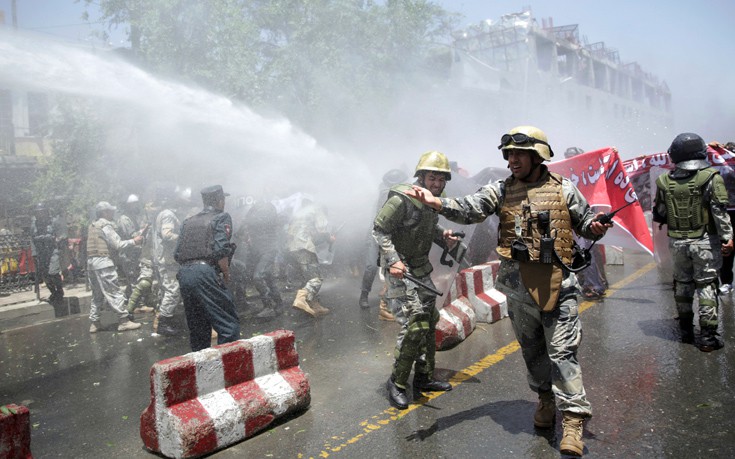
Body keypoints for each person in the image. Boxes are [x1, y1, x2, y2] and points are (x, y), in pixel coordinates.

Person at [406, 127, 611, 457]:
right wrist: (438, 203)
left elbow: (585, 223)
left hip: (559, 285)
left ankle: (573, 420)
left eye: (519, 154)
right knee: (533, 353)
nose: (512, 159)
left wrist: (596, 226)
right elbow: (471, 208)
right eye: (509, 154)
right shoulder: (500, 191)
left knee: (562, 353)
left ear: (537, 156)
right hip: (518, 289)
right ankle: (545, 400)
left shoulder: (564, 189)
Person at [374, 151, 461, 411]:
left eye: (441, 179)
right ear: (421, 176)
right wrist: (393, 260)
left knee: (429, 320)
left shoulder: (434, 201)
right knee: (415, 324)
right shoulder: (402, 198)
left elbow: (424, 227)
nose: (436, 184)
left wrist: (442, 235)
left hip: (420, 267)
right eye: (432, 178)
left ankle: (424, 377)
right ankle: (397, 384)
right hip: (400, 269)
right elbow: (379, 230)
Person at [653, 133, 733, 352]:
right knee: (706, 284)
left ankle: (686, 330)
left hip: (677, 243)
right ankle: (708, 336)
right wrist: (728, 238)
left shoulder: (664, 181)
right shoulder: (711, 177)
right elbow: (719, 212)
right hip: (705, 241)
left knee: (683, 284)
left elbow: (659, 214)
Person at [174, 185, 240, 352]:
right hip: (205, 272)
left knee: (198, 328)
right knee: (228, 326)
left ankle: (201, 370)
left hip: (184, 274)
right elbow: (220, 250)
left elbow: (177, 253)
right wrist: (226, 273)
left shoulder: (187, 222)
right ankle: (229, 369)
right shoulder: (221, 217)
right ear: (220, 201)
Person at [359, 168, 408, 321]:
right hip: (376, 234)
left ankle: (387, 303)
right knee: (371, 266)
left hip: (391, 236)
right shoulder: (385, 194)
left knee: (393, 268)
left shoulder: (401, 195)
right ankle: (364, 295)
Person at [87, 201, 143, 333]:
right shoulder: (105, 225)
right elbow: (117, 244)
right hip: (104, 263)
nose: (113, 213)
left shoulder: (93, 225)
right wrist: (133, 241)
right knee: (114, 291)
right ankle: (124, 321)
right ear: (105, 212)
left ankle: (94, 322)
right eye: (111, 211)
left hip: (91, 264)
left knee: (97, 294)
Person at [563, 147, 609, 299]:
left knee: (588, 250)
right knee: (588, 250)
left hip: (586, 216)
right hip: (577, 217)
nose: (571, 161)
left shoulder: (589, 174)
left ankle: (594, 285)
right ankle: (597, 282)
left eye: (574, 157)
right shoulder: (566, 175)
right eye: (568, 158)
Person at [287, 196, 332, 317]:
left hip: (292, 248)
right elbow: (322, 229)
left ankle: (315, 305)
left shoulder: (299, 213)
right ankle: (301, 298)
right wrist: (329, 238)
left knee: (308, 276)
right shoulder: (317, 210)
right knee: (316, 278)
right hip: (305, 247)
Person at [241, 197, 284, 320]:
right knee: (268, 277)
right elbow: (244, 228)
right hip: (258, 250)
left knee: (258, 276)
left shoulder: (268, 212)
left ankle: (269, 306)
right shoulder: (253, 214)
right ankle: (278, 303)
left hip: (269, 249)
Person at [152, 189, 183, 336]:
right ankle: (164, 323)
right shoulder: (168, 215)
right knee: (173, 290)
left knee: (166, 290)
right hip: (168, 259)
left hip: (164, 258)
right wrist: (184, 237)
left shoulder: (161, 214)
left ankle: (162, 320)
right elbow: (167, 235)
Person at [31, 203, 65, 317]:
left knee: (53, 272)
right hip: (41, 253)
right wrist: (34, 253)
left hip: (53, 251)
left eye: (42, 211)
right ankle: (53, 293)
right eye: (38, 212)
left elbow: (61, 235)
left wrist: (57, 240)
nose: (40, 214)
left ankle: (59, 290)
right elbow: (32, 239)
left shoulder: (53, 222)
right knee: (45, 275)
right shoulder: (34, 224)